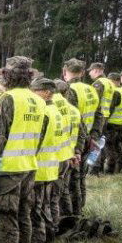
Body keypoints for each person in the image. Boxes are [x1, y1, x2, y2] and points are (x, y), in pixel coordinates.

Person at [0, 56, 47, 243]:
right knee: (23, 213)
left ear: (7, 76)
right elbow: (41, 136)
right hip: (29, 166)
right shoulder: (38, 100)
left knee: (5, 215)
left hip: (8, 170)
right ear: (29, 76)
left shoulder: (7, 99)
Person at [30, 77, 65, 243]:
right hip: (51, 167)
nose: (32, 94)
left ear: (45, 92)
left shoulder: (44, 111)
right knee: (46, 208)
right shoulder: (56, 111)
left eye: (34, 91)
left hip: (39, 169)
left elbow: (36, 143)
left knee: (37, 211)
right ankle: (49, 241)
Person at [61, 58, 100, 215]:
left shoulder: (70, 91)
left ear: (65, 72)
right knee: (81, 177)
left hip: (75, 141)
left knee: (72, 180)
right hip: (89, 138)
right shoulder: (91, 89)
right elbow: (99, 113)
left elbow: (74, 119)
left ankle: (73, 214)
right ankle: (80, 209)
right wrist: (95, 136)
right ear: (83, 72)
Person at [51, 80, 84, 220]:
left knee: (56, 194)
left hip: (56, 157)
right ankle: (72, 217)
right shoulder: (74, 110)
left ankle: (64, 221)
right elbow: (82, 133)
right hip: (70, 155)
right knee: (65, 189)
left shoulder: (53, 108)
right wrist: (77, 152)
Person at [102, 72, 122, 173]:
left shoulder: (115, 92)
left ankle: (110, 170)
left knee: (109, 148)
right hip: (121, 122)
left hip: (112, 123)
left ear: (113, 81)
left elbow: (111, 108)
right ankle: (120, 167)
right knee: (118, 146)